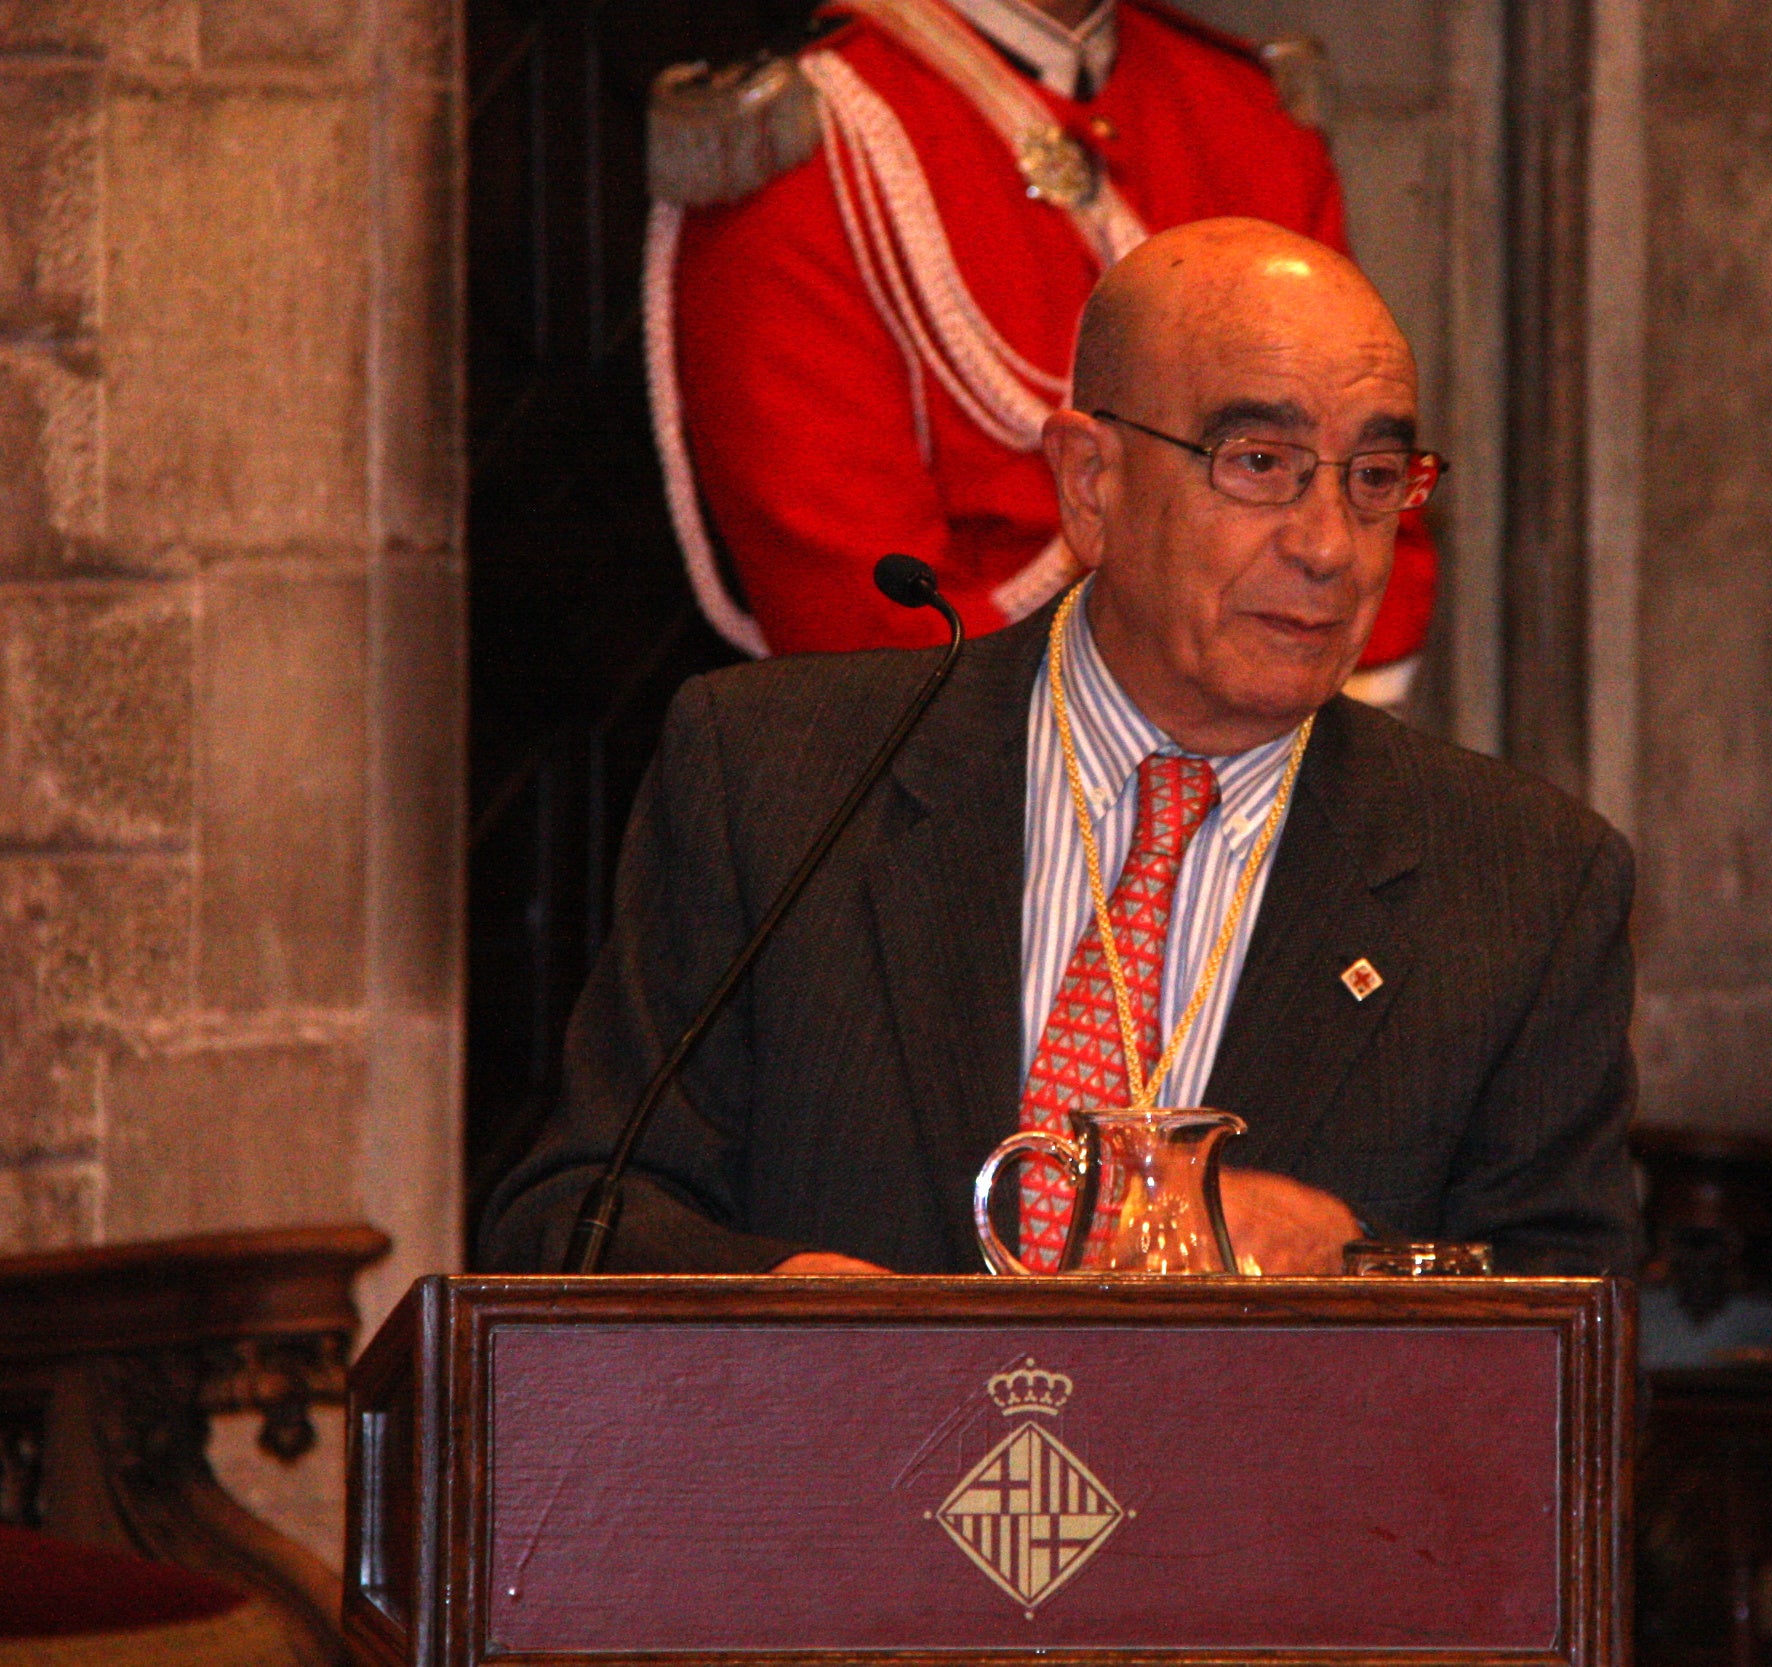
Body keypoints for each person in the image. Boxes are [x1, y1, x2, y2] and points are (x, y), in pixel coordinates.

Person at [479, 218, 1639, 1279]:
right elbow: (580, 1214)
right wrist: (788, 1312)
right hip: (832, 1491)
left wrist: (1364, 1271)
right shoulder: (775, 779)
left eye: (1375, 478)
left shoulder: (1522, 882)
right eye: (1259, 464)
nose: (1331, 546)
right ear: (1092, 483)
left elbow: (1583, 1347)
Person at [649, 0, 1435, 702]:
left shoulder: (1244, 110)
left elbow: (1369, 486)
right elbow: (862, 620)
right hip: (978, 784)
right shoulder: (815, 147)